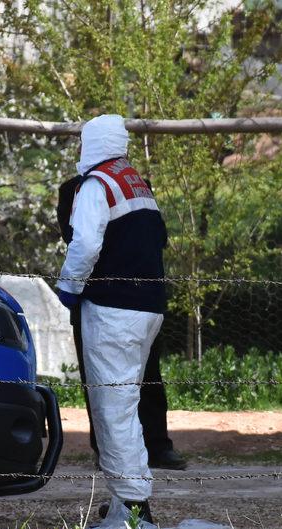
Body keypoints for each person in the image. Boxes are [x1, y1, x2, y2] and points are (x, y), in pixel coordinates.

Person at [56, 114, 167, 529]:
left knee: (112, 408)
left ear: (92, 143)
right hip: (148, 309)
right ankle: (126, 500)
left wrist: (68, 287)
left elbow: (85, 243)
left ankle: (134, 511)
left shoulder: (96, 186)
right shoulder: (135, 182)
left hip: (113, 309)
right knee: (128, 405)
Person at [57, 176, 186, 471]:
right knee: (101, 382)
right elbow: (76, 238)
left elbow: (158, 236)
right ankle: (106, 450)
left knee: (149, 375)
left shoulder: (139, 185)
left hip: (140, 298)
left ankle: (155, 445)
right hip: (94, 299)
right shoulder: (75, 189)